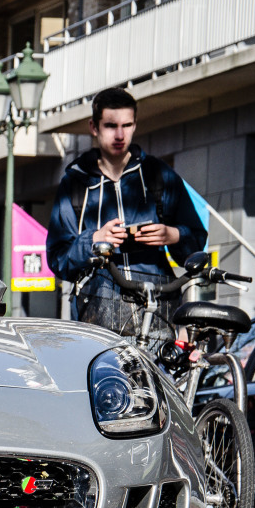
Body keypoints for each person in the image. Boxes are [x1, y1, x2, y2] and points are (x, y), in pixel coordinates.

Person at [46, 87, 206, 340]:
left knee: (159, 379)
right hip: (97, 322)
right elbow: (57, 260)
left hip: (157, 315)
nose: (120, 134)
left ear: (135, 125)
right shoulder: (75, 183)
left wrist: (173, 235)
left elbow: (196, 240)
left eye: (127, 125)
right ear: (94, 127)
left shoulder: (158, 174)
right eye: (111, 125)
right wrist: (93, 240)